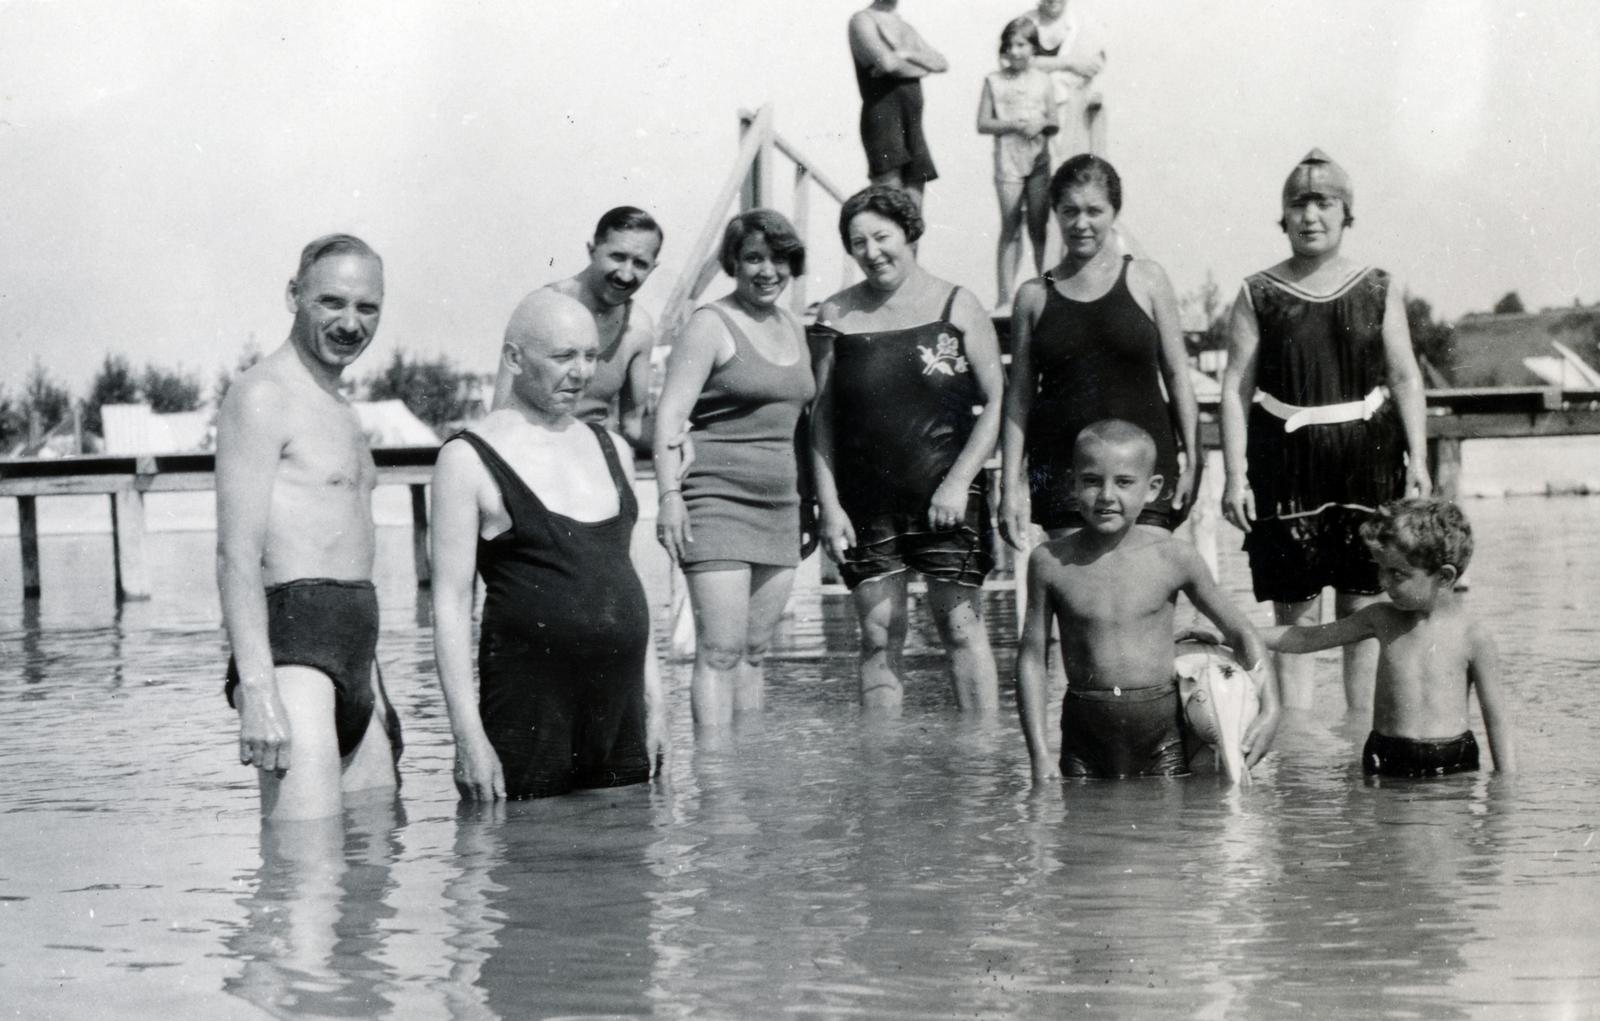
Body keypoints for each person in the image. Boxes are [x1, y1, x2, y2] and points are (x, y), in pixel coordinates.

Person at [430, 290, 666, 800]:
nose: (580, 373)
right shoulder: (467, 458)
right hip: (527, 713)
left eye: (590, 356)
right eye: (563, 357)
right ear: (514, 358)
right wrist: (467, 736)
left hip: (620, 708)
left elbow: (626, 577)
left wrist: (656, 695)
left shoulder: (614, 451)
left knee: (631, 861)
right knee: (528, 861)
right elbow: (449, 605)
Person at [1221, 149, 1431, 714]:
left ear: (1346, 214)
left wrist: (1420, 463)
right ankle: (1294, 741)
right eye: (1298, 204)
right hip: (1286, 456)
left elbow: (1406, 376)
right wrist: (1234, 475)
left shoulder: (1378, 287)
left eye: (1324, 202)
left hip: (1369, 452)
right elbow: (1235, 388)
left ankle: (1359, 736)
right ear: (1283, 216)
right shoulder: (1256, 292)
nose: (1310, 215)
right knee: (1295, 609)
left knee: (1363, 605)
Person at [216, 234, 402, 821]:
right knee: (303, 876)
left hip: (356, 658)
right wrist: (259, 691)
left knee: (373, 879)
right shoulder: (262, 395)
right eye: (331, 302)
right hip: (294, 658)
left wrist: (375, 688)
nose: (350, 323)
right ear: (294, 295)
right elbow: (235, 556)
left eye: (366, 307)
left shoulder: (343, 408)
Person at [811, 185, 1006, 713]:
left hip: (947, 498)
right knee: (878, 637)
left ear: (910, 233)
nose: (872, 252)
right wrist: (829, 506)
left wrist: (958, 481)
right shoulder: (835, 313)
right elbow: (821, 417)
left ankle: (980, 770)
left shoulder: (957, 304)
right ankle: (883, 779)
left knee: (961, 631)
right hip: (865, 506)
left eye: (882, 237)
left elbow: (996, 402)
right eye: (858, 243)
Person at [1016, 420, 1279, 780]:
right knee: (1080, 828)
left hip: (1160, 734)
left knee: (1162, 830)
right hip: (1084, 732)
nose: (1107, 495)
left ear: (1152, 488)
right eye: (1092, 480)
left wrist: (1271, 708)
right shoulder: (1050, 562)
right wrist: (1038, 753)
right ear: (1073, 483)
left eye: (1124, 482)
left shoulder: (1174, 558)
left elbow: (1242, 632)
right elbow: (1032, 656)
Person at [652, 210, 816, 732]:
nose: (768, 271)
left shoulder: (793, 323)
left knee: (754, 652)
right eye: (753, 258)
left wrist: (809, 502)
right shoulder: (709, 323)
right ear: (733, 263)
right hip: (716, 502)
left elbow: (801, 423)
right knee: (720, 652)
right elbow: (669, 418)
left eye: (779, 258)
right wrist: (669, 497)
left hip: (781, 507)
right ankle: (716, 791)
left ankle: (746, 778)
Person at [1001, 154, 1198, 549]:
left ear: (1114, 212)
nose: (1081, 223)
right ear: (1054, 212)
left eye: (1094, 211)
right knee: (1082, 603)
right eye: (1069, 211)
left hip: (1143, 471)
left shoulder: (1148, 280)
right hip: (1063, 471)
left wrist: (1195, 458)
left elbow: (1178, 376)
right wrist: (1008, 489)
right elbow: (1018, 399)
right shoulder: (1033, 297)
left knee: (1145, 599)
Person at [1263, 499, 1516, 777]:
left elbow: (1496, 717)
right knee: (1382, 819)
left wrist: (1505, 784)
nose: (1383, 581)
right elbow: (1305, 639)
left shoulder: (1473, 637)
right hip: (1386, 754)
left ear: (1444, 576)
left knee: (1451, 819)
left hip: (1452, 757)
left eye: (1397, 573)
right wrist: (1238, 634)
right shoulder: (1381, 618)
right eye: (1381, 568)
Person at [490, 206, 663, 451]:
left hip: (591, 460)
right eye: (617, 256)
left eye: (640, 264)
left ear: (653, 268)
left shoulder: (639, 328)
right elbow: (501, 410)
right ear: (592, 251)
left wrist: (677, 439)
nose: (625, 274)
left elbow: (633, 425)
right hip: (530, 455)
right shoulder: (540, 308)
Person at [977, 17, 1058, 310]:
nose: (1015, 51)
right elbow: (982, 123)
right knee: (1010, 226)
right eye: (1010, 45)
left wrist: (1041, 124)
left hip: (1038, 161)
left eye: (1021, 44)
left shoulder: (1043, 80)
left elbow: (1054, 121)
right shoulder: (993, 81)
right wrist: (1013, 124)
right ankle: (1004, 296)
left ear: (1032, 47)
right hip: (1008, 161)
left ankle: (1048, 291)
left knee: (1039, 227)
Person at [848, 0, 948, 208]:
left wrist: (906, 54)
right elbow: (887, 63)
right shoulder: (862, 20)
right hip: (883, 120)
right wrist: (921, 65)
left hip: (913, 123)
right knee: (891, 208)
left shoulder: (904, 25)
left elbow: (941, 62)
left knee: (914, 213)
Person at [1018, 0, 1106, 167]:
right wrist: (1069, 63)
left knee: (1069, 170)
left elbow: (1095, 65)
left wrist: (1044, 65)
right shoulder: (1024, 22)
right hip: (1030, 113)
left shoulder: (1083, 24)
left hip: (1073, 115)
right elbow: (1017, 62)